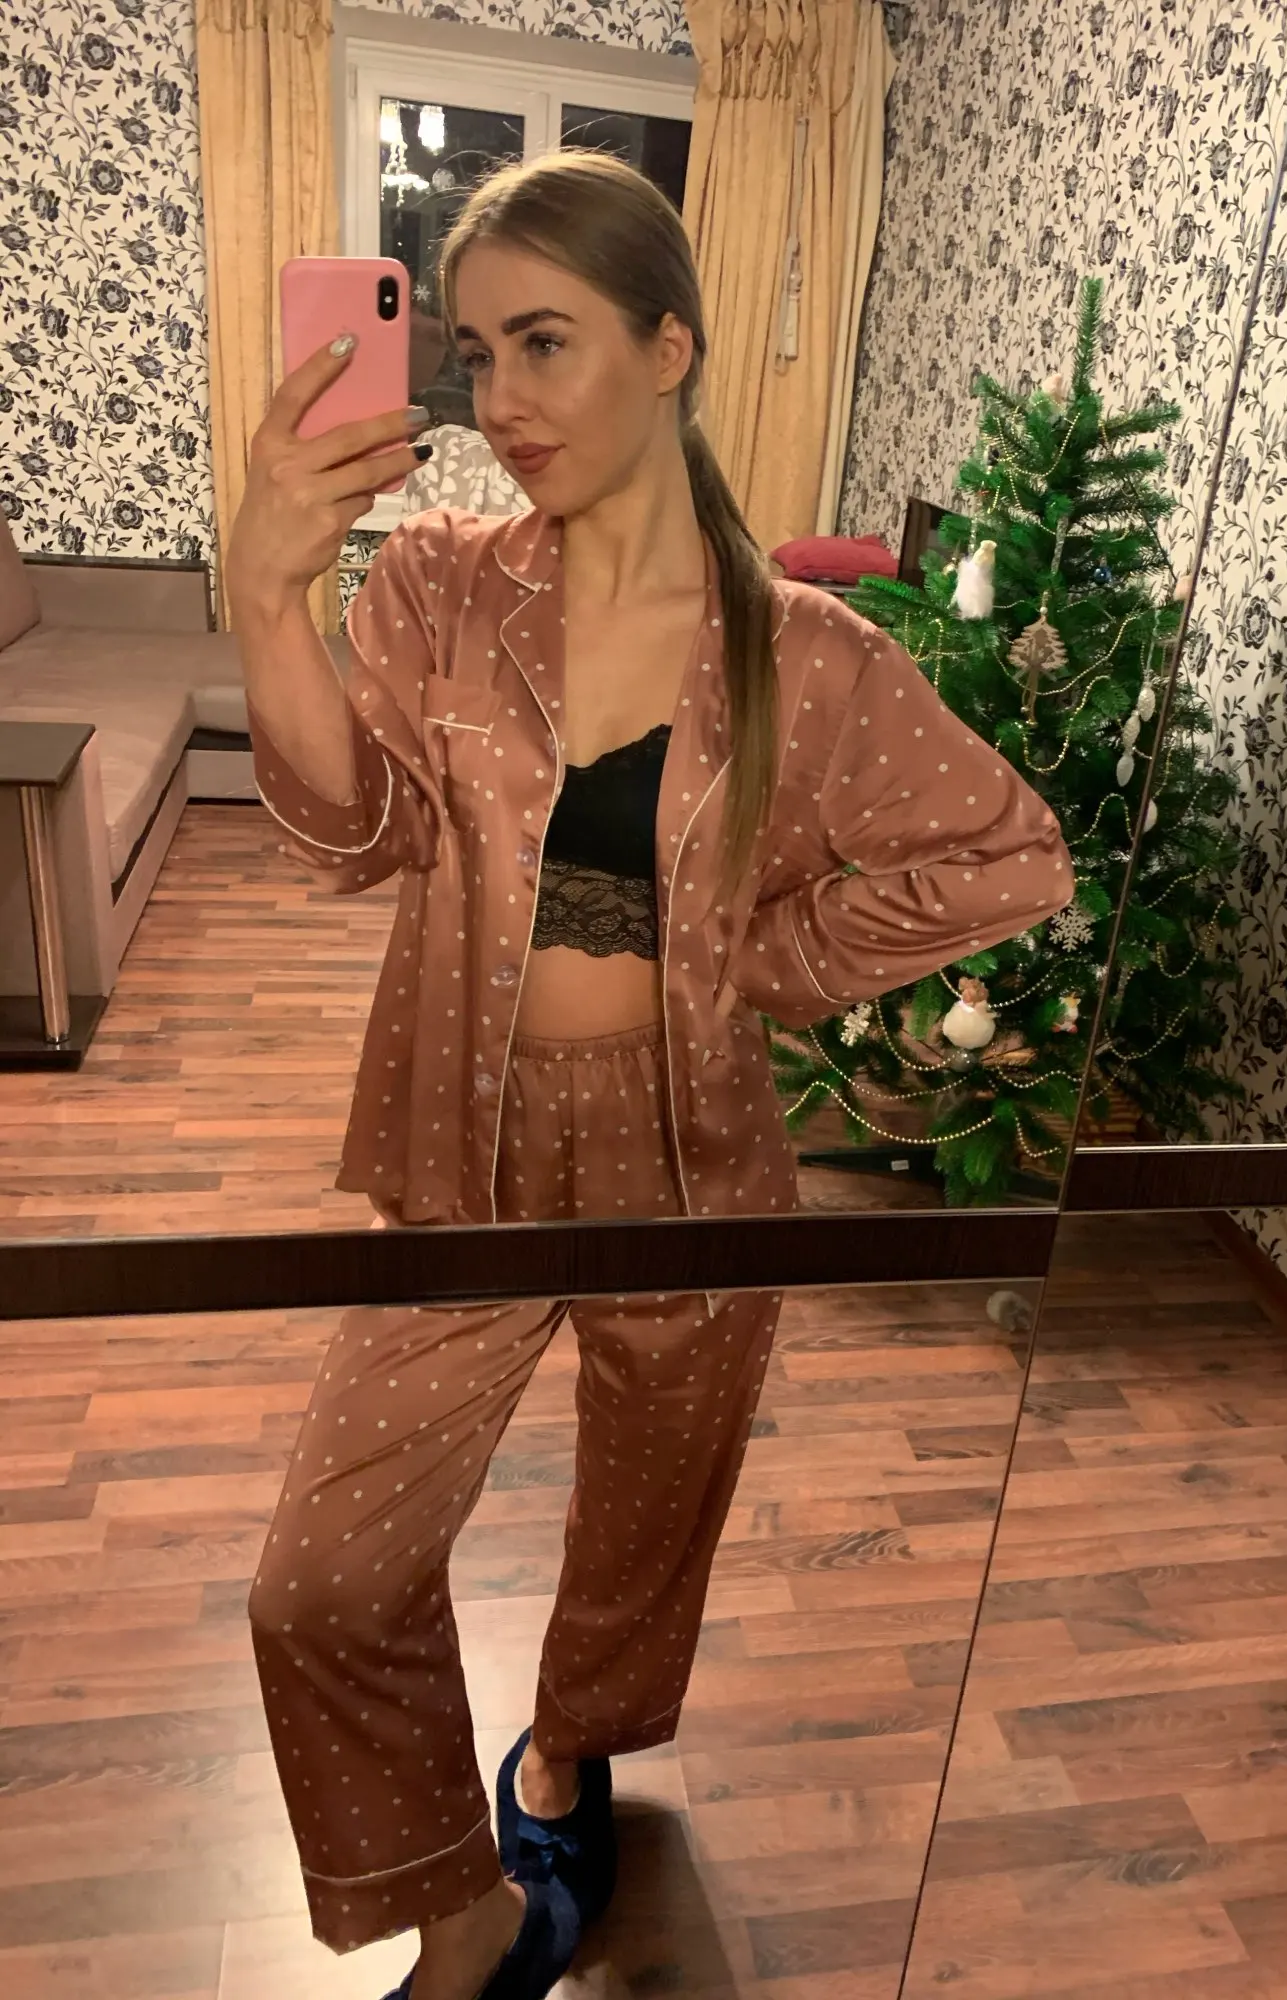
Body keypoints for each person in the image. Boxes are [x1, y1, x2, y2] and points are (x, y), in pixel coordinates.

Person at [227, 151, 1073, 2000]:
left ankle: (564, 1761)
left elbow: (1009, 852)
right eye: (474, 354)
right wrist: (270, 603)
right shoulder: (439, 590)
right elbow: (357, 832)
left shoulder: (809, 658)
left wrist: (767, 961)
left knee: (640, 1527)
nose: (499, 399)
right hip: (463, 1132)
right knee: (322, 1578)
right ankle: (460, 1913)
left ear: (670, 345)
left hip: (690, 1149)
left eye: (546, 342)